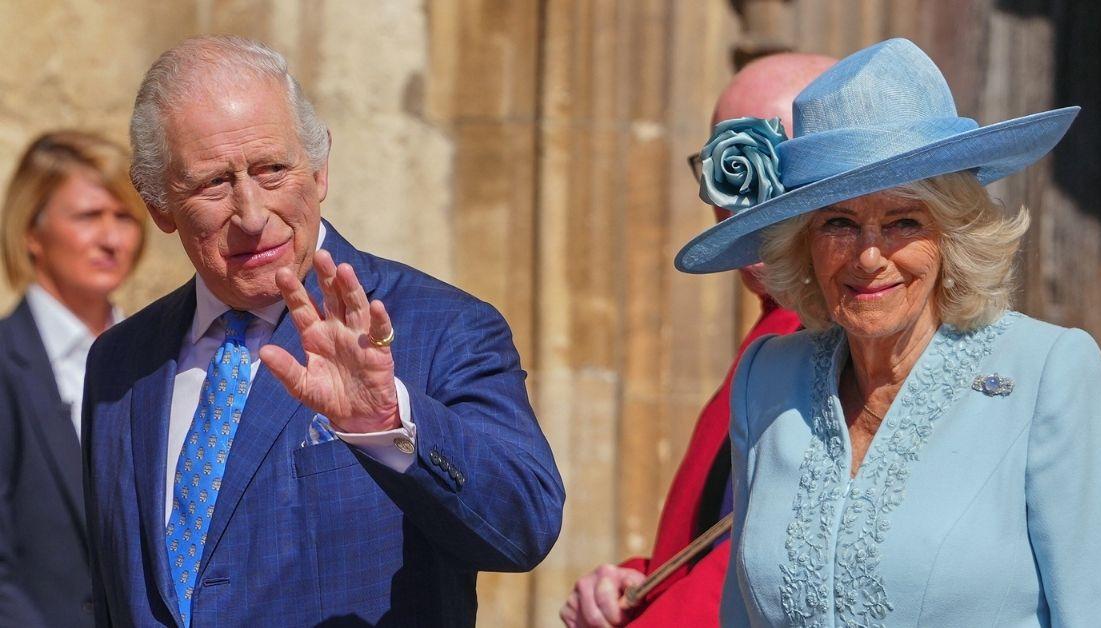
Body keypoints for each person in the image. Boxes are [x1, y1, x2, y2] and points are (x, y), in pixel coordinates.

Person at [81, 36, 564, 627]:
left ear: (320, 168)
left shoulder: (440, 327)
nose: (253, 216)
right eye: (213, 184)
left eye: (272, 170)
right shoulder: (121, 361)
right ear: (159, 207)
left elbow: (524, 528)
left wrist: (387, 422)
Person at [674, 38, 1101, 627]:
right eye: (839, 224)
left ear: (953, 233)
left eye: (904, 221)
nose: (870, 256)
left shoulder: (1049, 371)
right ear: (802, 244)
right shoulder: (765, 376)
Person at [559, 53, 835, 628]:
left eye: (766, 168)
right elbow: (724, 533)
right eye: (725, 168)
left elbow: (773, 567)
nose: (733, 201)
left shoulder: (836, 340)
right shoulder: (778, 330)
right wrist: (641, 582)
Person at [0, 130, 147, 627]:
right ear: (31, 232)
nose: (110, 238)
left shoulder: (166, 358)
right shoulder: (5, 363)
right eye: (88, 216)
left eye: (124, 217)